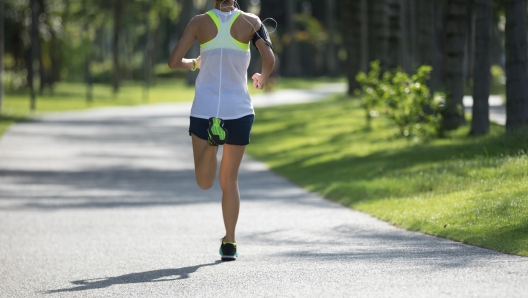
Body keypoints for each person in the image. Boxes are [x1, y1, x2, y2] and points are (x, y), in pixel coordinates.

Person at [168, 0, 275, 261]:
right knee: (230, 181)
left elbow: (173, 62)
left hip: (205, 110)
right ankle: (230, 242)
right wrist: (262, 76)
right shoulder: (252, 22)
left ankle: (213, 142)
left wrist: (195, 63)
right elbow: (269, 58)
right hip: (238, 110)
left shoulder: (198, 22)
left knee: (204, 182)